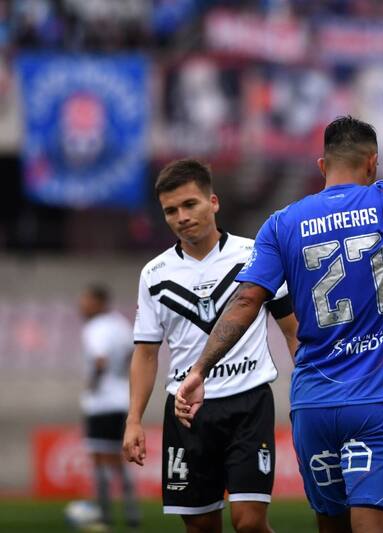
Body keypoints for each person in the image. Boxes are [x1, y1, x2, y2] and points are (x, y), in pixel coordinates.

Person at [176, 30, 383, 533]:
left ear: (322, 166)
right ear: (373, 163)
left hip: (314, 403)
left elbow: (246, 302)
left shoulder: (282, 223)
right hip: (377, 400)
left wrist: (200, 369)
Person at [123, 159, 299, 533]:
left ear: (213, 202)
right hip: (187, 413)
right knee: (201, 527)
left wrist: (309, 390)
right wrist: (134, 419)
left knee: (249, 523)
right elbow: (146, 352)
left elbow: (292, 330)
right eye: (171, 210)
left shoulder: (255, 255)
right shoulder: (154, 274)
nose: (181, 217)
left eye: (190, 204)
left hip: (249, 403)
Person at [79, 283, 141, 531]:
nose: (82, 305)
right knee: (118, 458)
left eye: (86, 300)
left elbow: (100, 360)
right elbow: (131, 354)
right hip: (121, 398)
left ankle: (104, 515)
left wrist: (93, 385)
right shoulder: (120, 324)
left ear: (98, 301)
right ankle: (132, 511)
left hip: (101, 402)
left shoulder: (96, 327)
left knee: (100, 458)